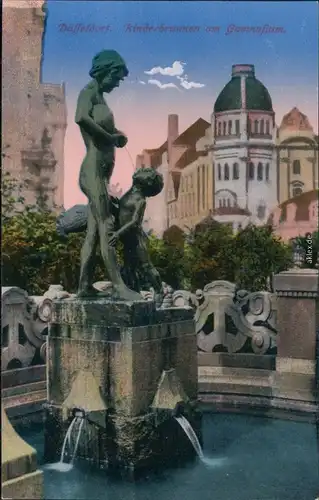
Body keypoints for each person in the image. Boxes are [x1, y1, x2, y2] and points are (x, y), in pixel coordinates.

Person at [75, 49, 142, 300]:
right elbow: (80, 118)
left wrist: (117, 135)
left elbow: (103, 129)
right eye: (117, 77)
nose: (117, 83)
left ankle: (83, 286)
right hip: (92, 171)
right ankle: (119, 285)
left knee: (94, 231)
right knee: (107, 225)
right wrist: (109, 137)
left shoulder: (100, 98)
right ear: (107, 71)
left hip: (100, 173)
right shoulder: (88, 93)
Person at [108, 168, 164, 305]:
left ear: (147, 182)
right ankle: (135, 292)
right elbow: (121, 210)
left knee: (146, 266)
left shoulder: (140, 200)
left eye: (145, 172)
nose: (140, 171)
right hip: (127, 241)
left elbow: (134, 222)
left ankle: (159, 290)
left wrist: (118, 233)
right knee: (129, 269)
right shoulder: (130, 193)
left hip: (137, 241)